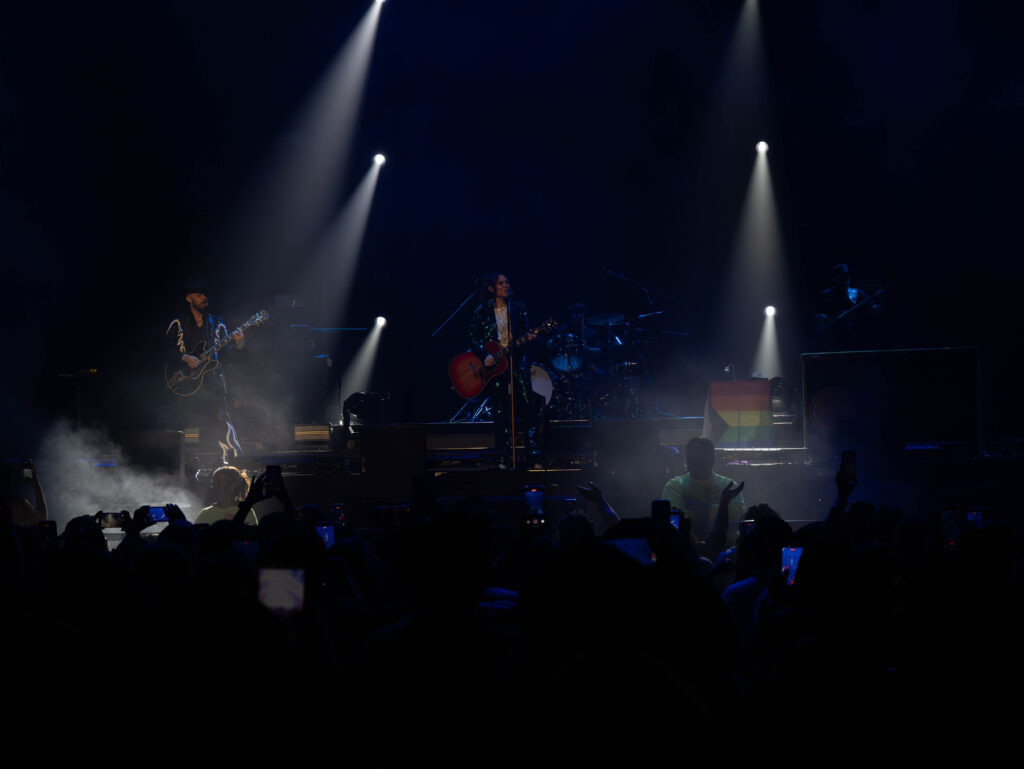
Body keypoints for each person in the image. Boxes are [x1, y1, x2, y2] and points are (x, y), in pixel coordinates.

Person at [165, 279, 245, 463]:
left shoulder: (217, 323)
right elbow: (165, 349)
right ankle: (182, 464)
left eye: (205, 295)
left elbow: (227, 354)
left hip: (213, 382)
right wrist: (185, 357)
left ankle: (226, 462)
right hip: (185, 382)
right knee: (183, 422)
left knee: (220, 421)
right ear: (188, 298)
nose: (204, 298)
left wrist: (239, 345)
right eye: (199, 295)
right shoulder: (178, 323)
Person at [468, 273, 542, 468]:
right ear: (491, 288)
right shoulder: (482, 310)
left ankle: (533, 451)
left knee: (527, 404)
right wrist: (486, 354)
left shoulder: (518, 309)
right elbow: (473, 337)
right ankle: (503, 452)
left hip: (516, 362)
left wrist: (529, 337)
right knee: (500, 408)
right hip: (495, 366)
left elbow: (525, 332)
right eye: (501, 283)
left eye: (507, 282)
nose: (506, 285)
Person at [661, 437, 745, 542]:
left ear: (713, 459)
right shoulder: (674, 485)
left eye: (701, 459)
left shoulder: (727, 485)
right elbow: (672, 517)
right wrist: (717, 509)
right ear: (687, 459)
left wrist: (696, 509)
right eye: (693, 459)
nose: (697, 463)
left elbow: (737, 515)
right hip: (687, 549)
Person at [815, 263, 881, 349]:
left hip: (853, 339)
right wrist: (826, 320)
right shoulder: (826, 295)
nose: (846, 279)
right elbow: (817, 316)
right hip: (834, 341)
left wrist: (878, 305)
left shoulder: (855, 293)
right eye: (842, 277)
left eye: (847, 276)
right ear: (835, 278)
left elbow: (872, 307)